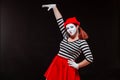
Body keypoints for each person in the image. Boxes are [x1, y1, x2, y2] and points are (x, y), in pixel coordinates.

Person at [42, 4, 93, 80]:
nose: (69, 30)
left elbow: (90, 58)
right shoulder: (66, 36)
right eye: (67, 28)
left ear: (77, 26)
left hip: (67, 68)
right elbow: (60, 21)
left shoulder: (82, 42)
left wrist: (78, 65)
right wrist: (54, 7)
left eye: (72, 27)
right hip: (56, 63)